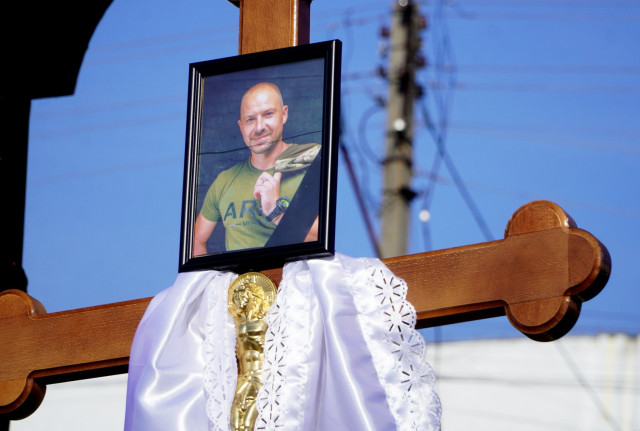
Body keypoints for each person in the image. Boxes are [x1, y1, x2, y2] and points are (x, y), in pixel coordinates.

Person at [193, 82, 319, 256]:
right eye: (250, 120)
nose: (259, 127)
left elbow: (326, 237)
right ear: (241, 127)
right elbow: (196, 240)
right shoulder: (224, 180)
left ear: (284, 114)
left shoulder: (313, 160)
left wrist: (276, 211)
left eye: (268, 114)